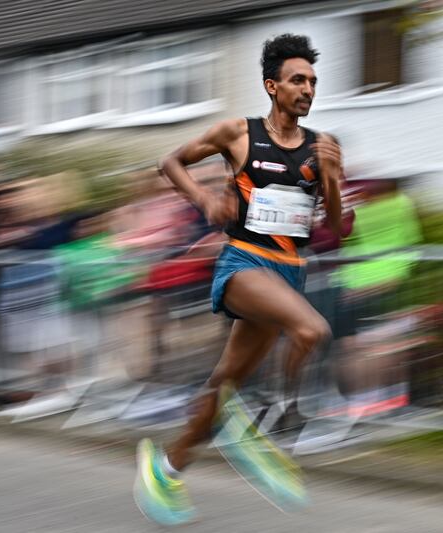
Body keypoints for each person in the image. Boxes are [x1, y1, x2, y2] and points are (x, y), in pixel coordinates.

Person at [134, 34, 342, 524]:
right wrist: (205, 200)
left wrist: (331, 177)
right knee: (312, 331)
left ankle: (165, 468)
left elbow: (332, 226)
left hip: (288, 274)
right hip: (244, 266)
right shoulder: (238, 133)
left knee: (223, 385)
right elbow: (170, 162)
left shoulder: (323, 147)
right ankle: (279, 413)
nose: (307, 89)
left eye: (312, 81)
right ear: (272, 86)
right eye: (297, 80)